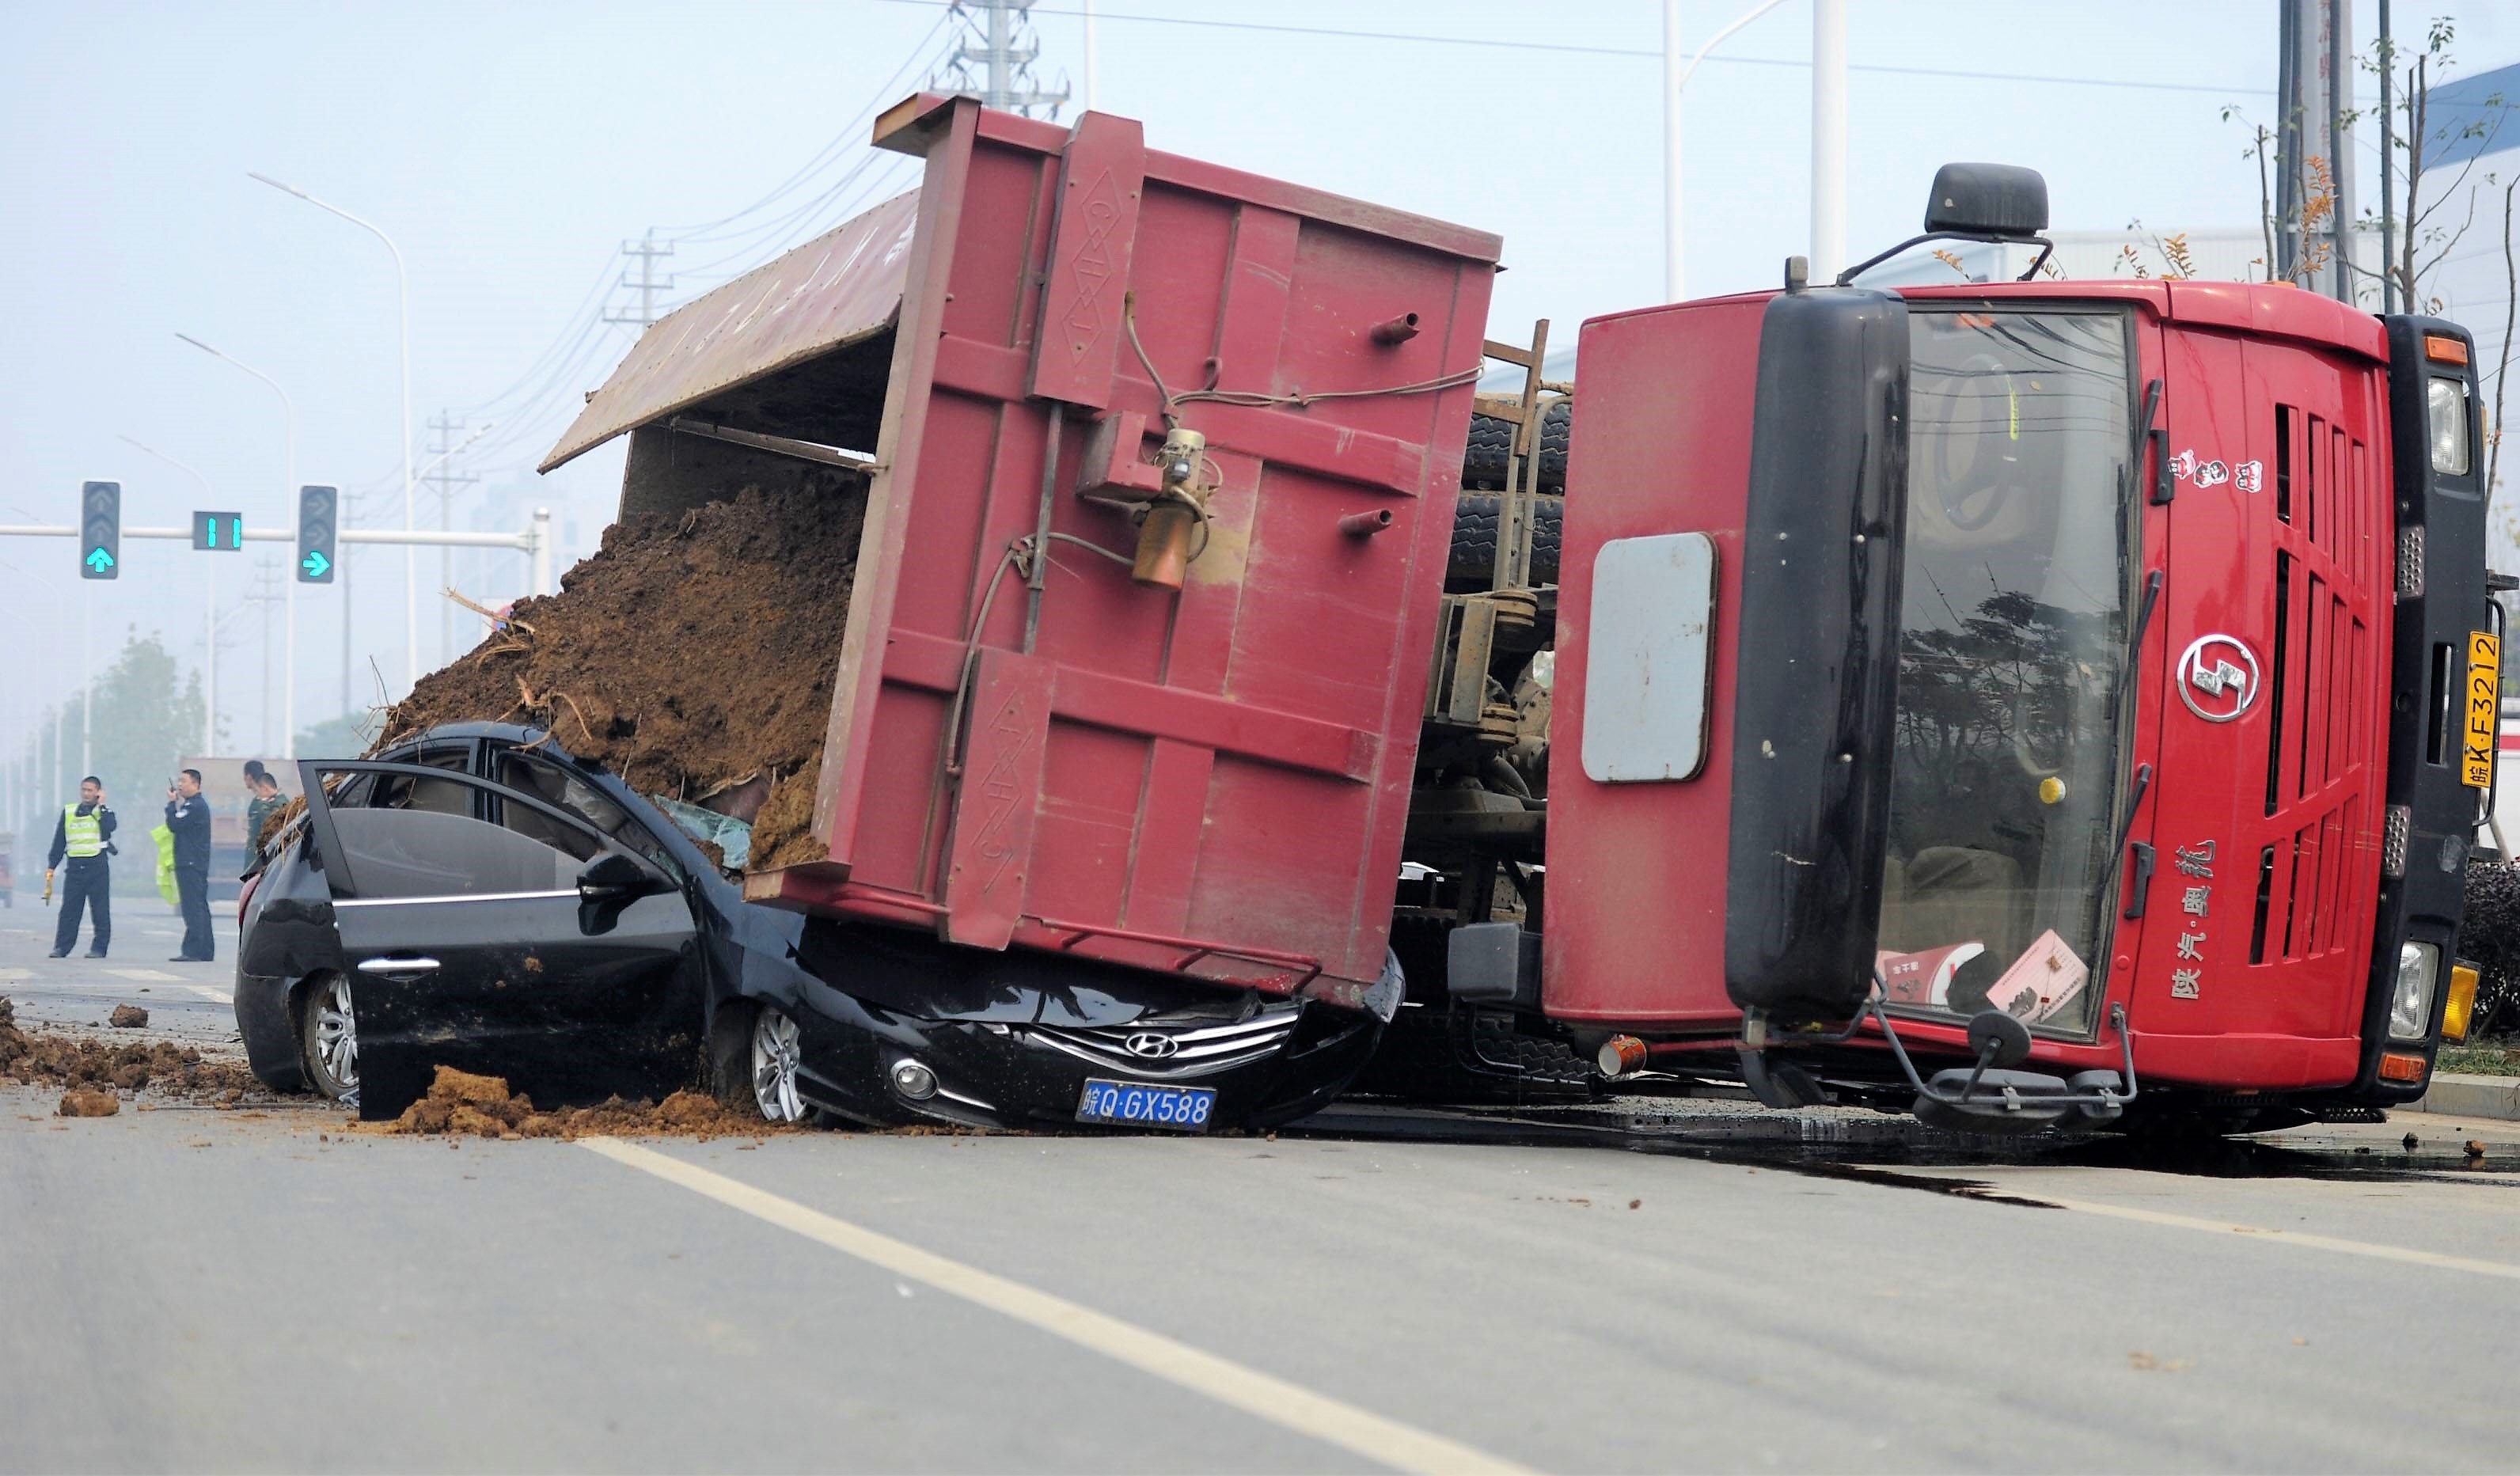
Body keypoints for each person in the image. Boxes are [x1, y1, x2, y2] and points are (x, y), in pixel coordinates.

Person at [45, 776, 116, 959]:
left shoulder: (104, 812)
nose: (86, 793)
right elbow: (59, 840)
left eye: (90, 790)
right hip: (75, 867)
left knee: (100, 910)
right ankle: (62, 947)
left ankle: (99, 948)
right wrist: (52, 865)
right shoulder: (69, 812)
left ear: (98, 792)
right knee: (69, 910)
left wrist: (102, 806)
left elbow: (110, 827)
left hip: (97, 867)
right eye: (84, 789)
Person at [165, 768, 214, 962]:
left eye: (184, 781)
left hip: (191, 863)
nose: (180, 784)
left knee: (192, 907)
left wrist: (171, 804)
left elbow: (175, 825)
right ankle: (205, 951)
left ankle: (193, 951)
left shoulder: (195, 806)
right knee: (199, 906)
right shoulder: (191, 805)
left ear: (196, 784)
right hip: (193, 862)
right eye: (179, 780)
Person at [243, 770, 284, 856]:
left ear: (265, 788)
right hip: (256, 853)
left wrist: (263, 803)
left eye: (258, 791)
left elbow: (270, 822)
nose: (258, 795)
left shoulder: (280, 803)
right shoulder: (271, 802)